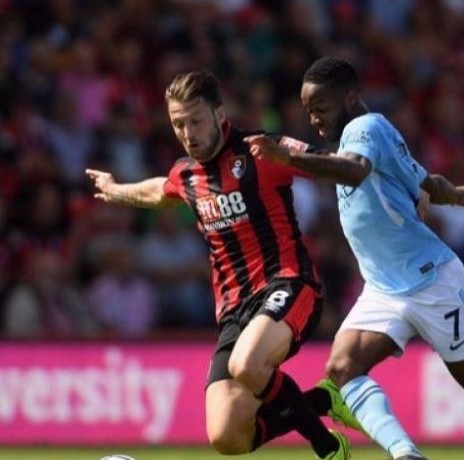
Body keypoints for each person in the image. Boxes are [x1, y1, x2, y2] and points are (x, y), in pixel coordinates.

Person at [245, 56, 464, 460]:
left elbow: (354, 171)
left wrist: (288, 159)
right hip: (384, 288)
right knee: (342, 367)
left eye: (320, 107)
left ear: (350, 98)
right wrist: (454, 194)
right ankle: (406, 454)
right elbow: (427, 182)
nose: (314, 119)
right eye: (308, 111)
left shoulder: (365, 128)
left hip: (431, 282)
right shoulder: (372, 136)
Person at [86, 70, 350, 460]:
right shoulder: (186, 174)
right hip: (233, 311)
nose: (187, 133)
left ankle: (329, 449)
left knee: (248, 364)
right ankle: (324, 400)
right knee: (227, 436)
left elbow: (330, 163)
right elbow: (158, 191)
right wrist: (114, 190)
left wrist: (388, 174)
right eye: (178, 124)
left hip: (288, 284)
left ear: (219, 115)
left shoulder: (261, 150)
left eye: (195, 121)